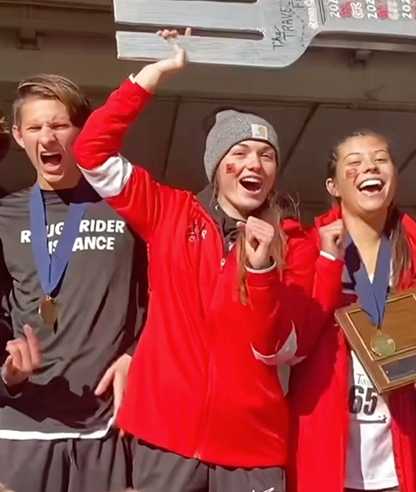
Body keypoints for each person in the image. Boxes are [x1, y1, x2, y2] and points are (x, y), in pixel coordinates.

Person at [72, 29, 347, 492]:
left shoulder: (294, 243)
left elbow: (285, 349)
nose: (253, 165)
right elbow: (91, 152)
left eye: (266, 156)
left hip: (252, 451)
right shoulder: (169, 211)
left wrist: (261, 274)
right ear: (216, 165)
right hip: (165, 439)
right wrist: (152, 76)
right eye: (239, 153)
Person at [288, 129, 416, 492]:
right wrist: (324, 263)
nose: (371, 167)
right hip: (323, 456)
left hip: (395, 463)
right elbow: (288, 345)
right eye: (355, 163)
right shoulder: (305, 249)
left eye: (381, 160)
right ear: (333, 186)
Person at [0, 73, 147, 492]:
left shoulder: (126, 207)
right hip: (21, 429)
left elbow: (165, 297)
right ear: (18, 135)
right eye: (35, 127)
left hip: (105, 428)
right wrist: (5, 376)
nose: (48, 137)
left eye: (60, 125)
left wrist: (137, 354)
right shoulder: (4, 216)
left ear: (81, 132)